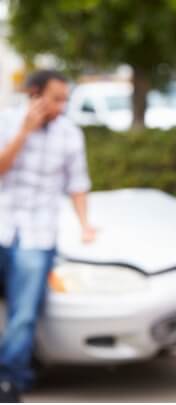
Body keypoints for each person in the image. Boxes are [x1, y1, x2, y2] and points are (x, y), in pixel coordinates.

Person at [0, 70, 95, 402]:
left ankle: (9, 380)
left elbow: (78, 183)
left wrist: (85, 225)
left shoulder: (70, 134)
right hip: (3, 224)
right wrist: (24, 132)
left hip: (39, 233)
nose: (61, 106)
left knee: (24, 312)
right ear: (34, 94)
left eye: (65, 99)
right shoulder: (6, 122)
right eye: (56, 99)